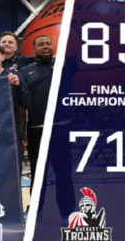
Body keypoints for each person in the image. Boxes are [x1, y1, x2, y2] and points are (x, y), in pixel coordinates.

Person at [20, 35, 76, 223]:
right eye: (40, 43)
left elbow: (91, 55)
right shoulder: (26, 71)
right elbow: (22, 104)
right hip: (36, 129)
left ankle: (68, 213)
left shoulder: (64, 64)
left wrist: (80, 31)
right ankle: (35, 210)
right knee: (38, 174)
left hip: (60, 128)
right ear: (33, 49)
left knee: (64, 173)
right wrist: (22, 132)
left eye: (48, 43)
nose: (45, 46)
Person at [0, 44, 31, 163]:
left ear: (3, 57)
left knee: (14, 174)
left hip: (12, 134)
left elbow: (27, 104)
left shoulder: (14, 75)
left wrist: (18, 86)